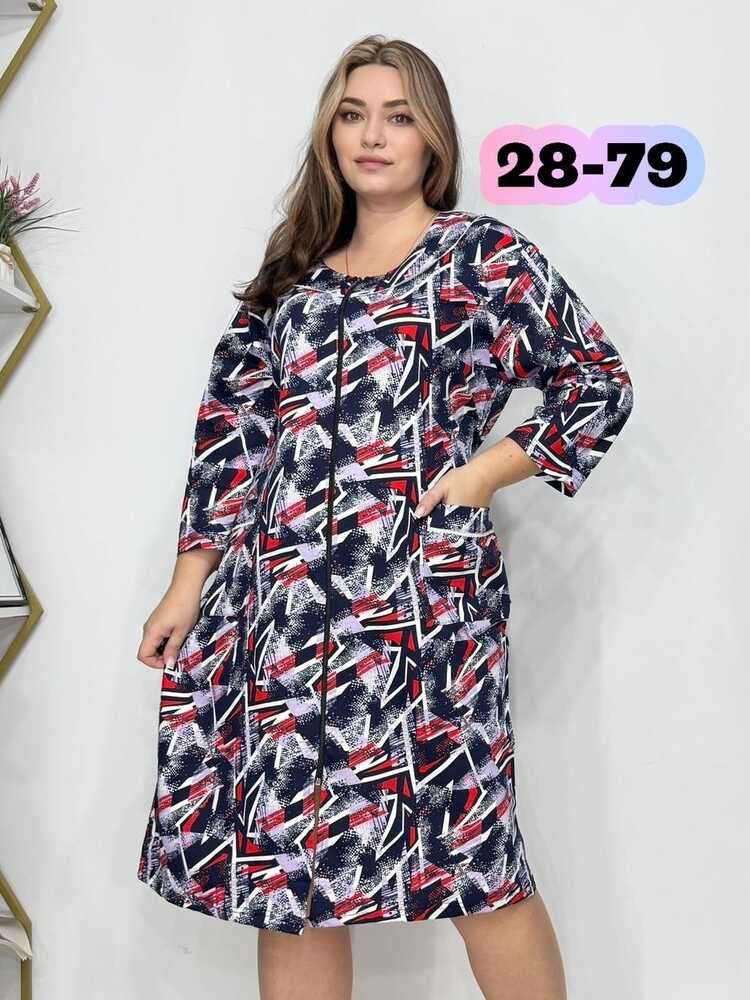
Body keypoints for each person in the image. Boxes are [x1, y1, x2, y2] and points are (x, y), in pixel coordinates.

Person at [136, 33, 634, 1000]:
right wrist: (187, 584)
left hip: (423, 611)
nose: (372, 136)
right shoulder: (291, 279)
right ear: (330, 133)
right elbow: (231, 438)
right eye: (353, 115)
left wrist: (485, 473)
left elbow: (597, 382)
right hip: (281, 618)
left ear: (432, 137)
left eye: (398, 117)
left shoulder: (483, 257)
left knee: (476, 856)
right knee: (288, 874)